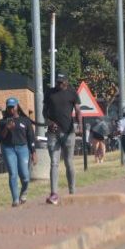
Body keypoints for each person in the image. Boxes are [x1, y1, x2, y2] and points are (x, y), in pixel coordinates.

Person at [43, 73, 81, 204]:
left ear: (66, 82)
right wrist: (49, 122)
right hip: (53, 133)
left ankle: (72, 191)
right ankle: (54, 194)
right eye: (57, 82)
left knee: (69, 162)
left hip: (69, 133)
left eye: (61, 82)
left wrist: (79, 125)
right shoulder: (49, 93)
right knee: (54, 162)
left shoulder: (72, 93)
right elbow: (44, 112)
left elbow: (78, 110)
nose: (59, 84)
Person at [0, 97, 36, 207]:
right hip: (8, 149)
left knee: (25, 176)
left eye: (13, 107)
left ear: (17, 106)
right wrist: (6, 128)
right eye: (9, 107)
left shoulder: (25, 120)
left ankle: (24, 192)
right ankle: (15, 199)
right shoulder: (2, 122)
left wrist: (33, 152)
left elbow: (31, 137)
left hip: (23, 149)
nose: (11, 109)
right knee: (13, 174)